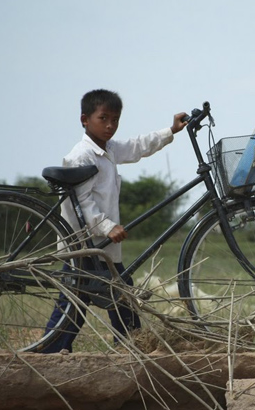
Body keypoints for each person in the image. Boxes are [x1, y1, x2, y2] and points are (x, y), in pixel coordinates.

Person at [42, 89, 188, 353]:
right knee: (77, 301)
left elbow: (137, 146)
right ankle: (50, 353)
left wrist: (171, 130)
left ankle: (129, 349)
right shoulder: (81, 157)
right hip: (83, 243)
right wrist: (108, 227)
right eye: (103, 118)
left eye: (115, 120)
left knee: (119, 295)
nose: (110, 126)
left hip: (102, 246)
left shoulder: (107, 149)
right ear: (84, 119)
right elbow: (82, 203)